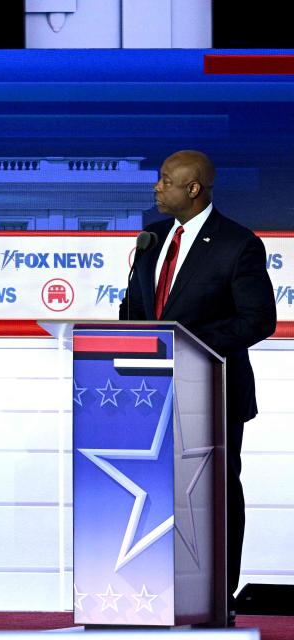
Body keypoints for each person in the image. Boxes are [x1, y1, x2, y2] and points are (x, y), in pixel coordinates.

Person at [119, 150, 276, 622]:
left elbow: (257, 319)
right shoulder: (153, 240)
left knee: (216, 494)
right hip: (150, 392)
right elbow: (133, 312)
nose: (156, 188)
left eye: (166, 180)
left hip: (213, 391)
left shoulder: (237, 243)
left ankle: (215, 597)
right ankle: (150, 591)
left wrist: (186, 346)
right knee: (152, 490)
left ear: (194, 188)